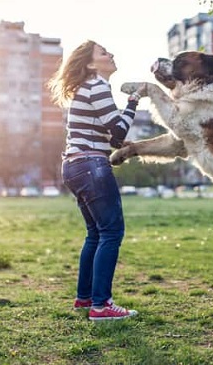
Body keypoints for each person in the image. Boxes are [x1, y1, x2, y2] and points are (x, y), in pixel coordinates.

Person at [48, 40, 145, 321]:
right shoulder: (97, 85)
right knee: (111, 233)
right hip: (92, 165)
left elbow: (110, 133)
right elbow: (116, 133)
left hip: (75, 165)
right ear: (91, 64)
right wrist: (134, 102)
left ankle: (85, 298)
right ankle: (101, 306)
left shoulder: (86, 88)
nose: (111, 54)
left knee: (96, 234)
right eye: (103, 52)